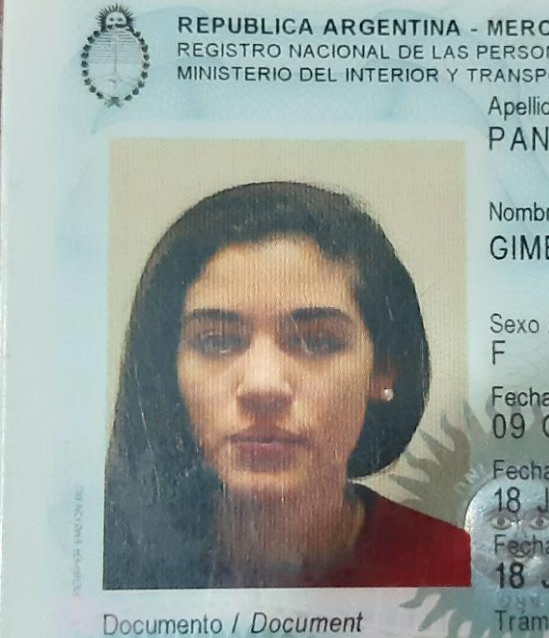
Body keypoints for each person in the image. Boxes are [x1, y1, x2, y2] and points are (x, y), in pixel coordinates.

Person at [103, 181, 470, 589]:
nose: (263, 386)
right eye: (216, 341)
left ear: (384, 370)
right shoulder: (98, 565)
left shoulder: (461, 574)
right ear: (167, 369)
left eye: (316, 342)